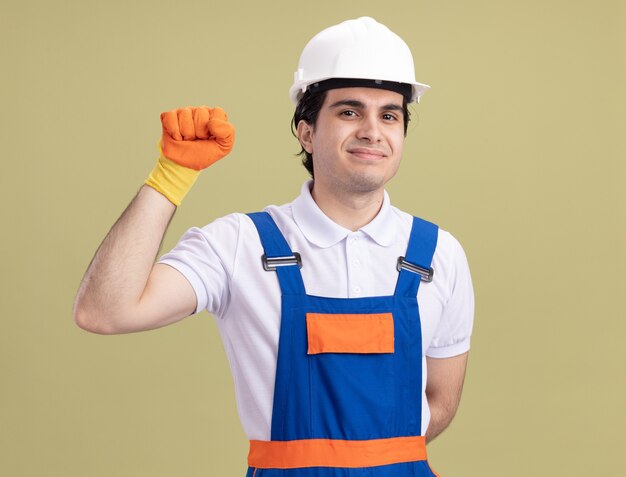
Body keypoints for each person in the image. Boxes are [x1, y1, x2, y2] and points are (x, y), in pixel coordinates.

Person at [74, 16, 474, 477]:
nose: (372, 130)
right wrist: (170, 177)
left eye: (389, 114)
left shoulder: (439, 255)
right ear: (306, 132)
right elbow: (103, 311)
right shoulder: (238, 245)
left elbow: (441, 402)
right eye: (349, 111)